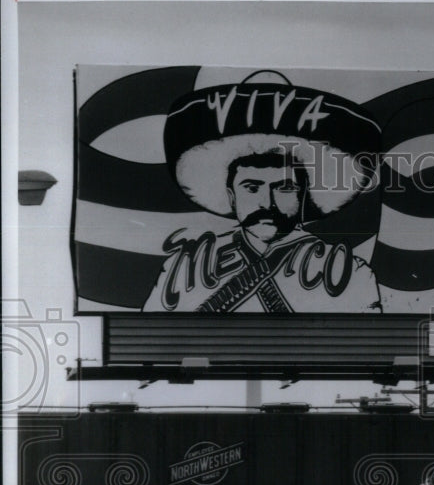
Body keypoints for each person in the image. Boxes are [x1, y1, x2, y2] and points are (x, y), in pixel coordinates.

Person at [145, 74, 383, 312]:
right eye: (252, 187)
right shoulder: (181, 272)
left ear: (304, 195)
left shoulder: (350, 275)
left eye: (284, 187)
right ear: (231, 195)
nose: (267, 203)